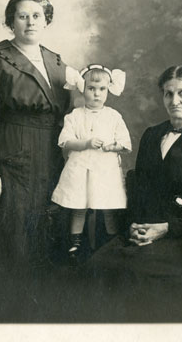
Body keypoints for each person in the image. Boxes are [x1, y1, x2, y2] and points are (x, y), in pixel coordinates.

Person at [73, 64, 182, 322]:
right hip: (144, 231)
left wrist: (167, 228)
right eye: (168, 94)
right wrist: (133, 227)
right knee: (95, 266)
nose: (174, 101)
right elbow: (139, 191)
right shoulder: (152, 135)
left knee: (137, 276)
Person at [0, 0, 72, 274]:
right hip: (14, 153)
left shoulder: (56, 61)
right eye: (22, 16)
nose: (30, 22)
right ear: (11, 22)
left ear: (46, 20)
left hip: (51, 154)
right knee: (16, 234)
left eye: (36, 16)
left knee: (49, 228)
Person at [51, 64, 131, 260]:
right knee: (79, 206)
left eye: (102, 89)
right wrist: (86, 142)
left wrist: (113, 146)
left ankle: (112, 241)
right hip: (81, 168)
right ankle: (75, 242)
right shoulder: (75, 116)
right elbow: (65, 141)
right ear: (82, 88)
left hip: (105, 170)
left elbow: (125, 142)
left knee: (108, 205)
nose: (97, 94)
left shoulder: (113, 116)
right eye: (91, 88)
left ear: (108, 90)